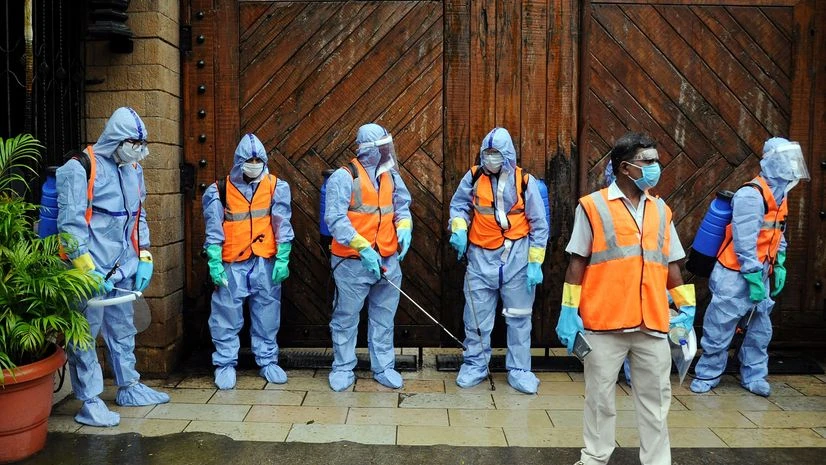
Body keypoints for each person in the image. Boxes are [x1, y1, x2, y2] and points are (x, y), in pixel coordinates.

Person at [556, 132, 695, 465]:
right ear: (624, 168)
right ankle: (594, 458)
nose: (654, 167)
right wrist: (567, 311)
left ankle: (658, 461)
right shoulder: (592, 207)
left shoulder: (662, 211)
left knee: (656, 400)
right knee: (600, 399)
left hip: (652, 323)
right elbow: (578, 262)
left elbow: (672, 264)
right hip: (604, 324)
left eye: (655, 161)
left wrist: (687, 307)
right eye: (647, 161)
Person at [57, 107, 169, 427]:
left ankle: (128, 386)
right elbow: (70, 225)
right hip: (89, 270)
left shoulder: (132, 168)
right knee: (84, 335)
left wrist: (144, 255)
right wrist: (85, 267)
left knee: (123, 330)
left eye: (143, 142)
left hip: (123, 268)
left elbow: (138, 216)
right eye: (135, 142)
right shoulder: (79, 168)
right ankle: (90, 400)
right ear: (118, 139)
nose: (140, 149)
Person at [691, 137, 809, 397]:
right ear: (771, 162)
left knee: (759, 330)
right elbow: (744, 242)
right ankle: (707, 374)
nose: (791, 166)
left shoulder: (781, 196)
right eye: (786, 160)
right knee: (720, 326)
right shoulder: (750, 195)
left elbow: (779, 233)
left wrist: (780, 263)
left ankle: (754, 375)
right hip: (734, 274)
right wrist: (753, 276)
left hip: (761, 272)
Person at [447, 127, 549, 394]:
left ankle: (519, 369)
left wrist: (535, 262)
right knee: (476, 316)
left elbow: (539, 224)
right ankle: (475, 365)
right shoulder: (472, 177)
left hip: (517, 256)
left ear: (507, 155)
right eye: (487, 153)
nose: (490, 158)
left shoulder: (525, 182)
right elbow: (459, 206)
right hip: (480, 256)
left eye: (496, 154)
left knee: (519, 317)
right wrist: (458, 227)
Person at [202, 133, 294, 390]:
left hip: (265, 260)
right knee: (226, 313)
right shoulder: (219, 190)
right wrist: (214, 262)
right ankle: (224, 362)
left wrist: (283, 257)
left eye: (258, 159)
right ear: (239, 161)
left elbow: (282, 223)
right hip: (232, 261)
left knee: (267, 311)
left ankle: (267, 359)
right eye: (249, 159)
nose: (254, 164)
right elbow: (213, 230)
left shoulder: (276, 186)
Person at [324, 123, 413, 391]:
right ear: (370, 150)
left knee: (384, 318)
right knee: (346, 317)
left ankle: (384, 366)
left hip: (387, 259)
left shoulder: (391, 176)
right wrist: (362, 248)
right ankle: (342, 366)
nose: (388, 151)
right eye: (383, 146)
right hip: (352, 263)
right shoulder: (344, 177)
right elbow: (335, 219)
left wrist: (405, 227)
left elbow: (402, 206)